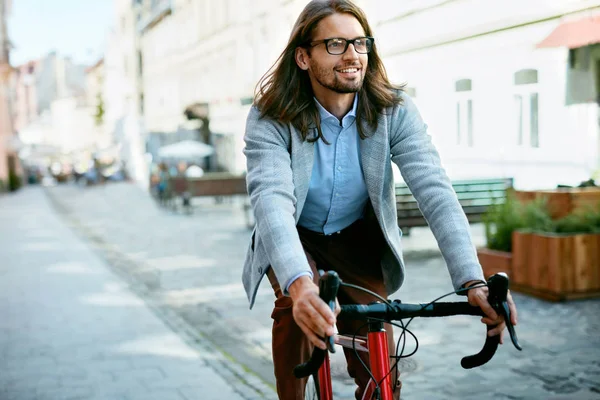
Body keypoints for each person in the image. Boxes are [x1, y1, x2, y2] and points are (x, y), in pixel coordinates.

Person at [242, 1, 518, 399]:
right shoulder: (270, 117)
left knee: (383, 370)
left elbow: (435, 191)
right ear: (303, 57)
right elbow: (271, 201)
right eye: (335, 44)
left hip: (357, 240)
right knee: (298, 310)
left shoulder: (393, 110)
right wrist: (300, 285)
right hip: (296, 236)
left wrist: (472, 280)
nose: (353, 54)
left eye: (360, 43)